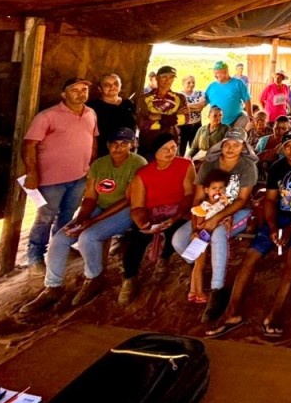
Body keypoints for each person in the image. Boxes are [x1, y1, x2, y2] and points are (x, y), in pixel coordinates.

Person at [207, 134, 291, 338]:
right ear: (282, 148)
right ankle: (232, 313)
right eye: (288, 146)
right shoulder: (277, 167)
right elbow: (269, 200)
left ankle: (275, 312)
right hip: (279, 217)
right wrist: (272, 226)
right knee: (251, 255)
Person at [20, 127, 147, 313]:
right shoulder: (99, 165)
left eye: (124, 144)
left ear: (132, 145)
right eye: (114, 144)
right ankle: (53, 286)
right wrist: (80, 219)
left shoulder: (138, 163)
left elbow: (128, 200)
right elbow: (90, 197)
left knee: (88, 237)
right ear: (108, 145)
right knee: (60, 239)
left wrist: (91, 222)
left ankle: (94, 278)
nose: (118, 148)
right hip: (100, 206)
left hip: (126, 210)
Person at [171, 128, 256, 323]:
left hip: (238, 211)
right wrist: (197, 226)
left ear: (243, 147)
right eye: (227, 144)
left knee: (217, 233)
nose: (231, 148)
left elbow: (242, 200)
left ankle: (217, 289)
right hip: (207, 210)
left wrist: (218, 218)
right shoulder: (209, 164)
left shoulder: (247, 166)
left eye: (236, 145)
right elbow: (198, 198)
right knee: (179, 240)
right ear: (221, 145)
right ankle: (199, 266)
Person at [22, 77, 99, 276]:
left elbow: (92, 141)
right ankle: (35, 256)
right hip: (51, 179)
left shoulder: (90, 113)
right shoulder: (47, 116)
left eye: (84, 90)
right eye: (75, 90)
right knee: (45, 217)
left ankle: (60, 247)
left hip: (79, 176)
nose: (81, 94)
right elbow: (29, 145)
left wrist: (91, 167)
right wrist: (32, 172)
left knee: (67, 215)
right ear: (64, 94)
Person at [118, 133, 195, 305]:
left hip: (178, 209)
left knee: (175, 230)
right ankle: (129, 278)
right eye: (164, 149)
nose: (170, 152)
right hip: (152, 213)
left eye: (173, 148)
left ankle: (164, 258)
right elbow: (137, 207)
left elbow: (189, 194)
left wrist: (176, 216)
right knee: (136, 239)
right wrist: (143, 222)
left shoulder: (185, 165)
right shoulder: (143, 174)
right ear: (155, 152)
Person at [186, 169, 233, 303]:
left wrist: (227, 219)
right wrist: (216, 222)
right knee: (199, 265)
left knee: (199, 264)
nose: (218, 191)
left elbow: (228, 214)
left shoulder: (222, 204)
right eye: (214, 188)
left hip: (206, 237)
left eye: (221, 188)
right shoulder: (203, 207)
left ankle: (192, 292)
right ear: (206, 190)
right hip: (201, 237)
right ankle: (199, 293)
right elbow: (200, 225)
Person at [137, 66, 190, 158]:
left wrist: (159, 117)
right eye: (164, 77)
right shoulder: (144, 98)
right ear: (157, 78)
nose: (168, 80)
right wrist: (172, 118)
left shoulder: (180, 98)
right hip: (148, 144)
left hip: (170, 144)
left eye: (171, 77)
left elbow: (186, 119)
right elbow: (142, 124)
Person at [86, 73, 137, 157]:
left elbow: (134, 125)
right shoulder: (92, 106)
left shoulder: (128, 104)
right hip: (103, 152)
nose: (112, 87)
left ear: (120, 86)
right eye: (107, 85)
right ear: (100, 88)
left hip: (126, 151)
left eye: (116, 84)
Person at [205, 61, 251, 128]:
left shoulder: (238, 83)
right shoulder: (211, 86)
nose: (215, 76)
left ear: (226, 72)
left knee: (247, 121)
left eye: (218, 73)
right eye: (215, 73)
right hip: (218, 122)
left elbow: (247, 99)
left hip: (237, 119)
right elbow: (204, 101)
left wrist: (250, 114)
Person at [178, 75, 207, 156]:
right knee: (181, 149)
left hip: (196, 125)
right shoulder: (178, 95)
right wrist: (196, 106)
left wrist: (186, 107)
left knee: (195, 149)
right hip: (183, 126)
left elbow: (201, 107)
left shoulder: (200, 93)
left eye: (193, 82)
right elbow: (179, 110)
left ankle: (193, 163)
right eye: (189, 82)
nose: (191, 84)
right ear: (183, 83)